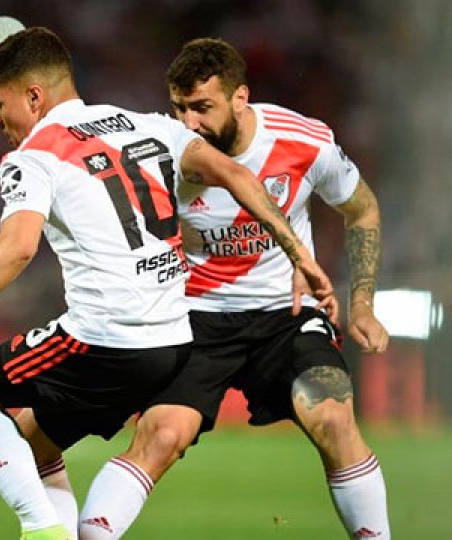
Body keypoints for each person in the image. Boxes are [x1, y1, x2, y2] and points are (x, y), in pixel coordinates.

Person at [0, 22, 335, 540]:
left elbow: (18, 247)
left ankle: (40, 530)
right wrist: (299, 253)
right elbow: (238, 175)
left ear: (34, 95)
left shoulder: (33, 156)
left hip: (104, 340)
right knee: (34, 444)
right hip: (175, 341)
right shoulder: (147, 125)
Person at [58, 38, 390, 539]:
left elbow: (361, 208)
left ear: (241, 98)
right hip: (194, 318)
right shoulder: (159, 150)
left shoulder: (303, 141)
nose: (189, 122)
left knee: (334, 419)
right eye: (179, 107)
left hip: (287, 314)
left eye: (202, 108)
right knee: (161, 436)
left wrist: (362, 302)